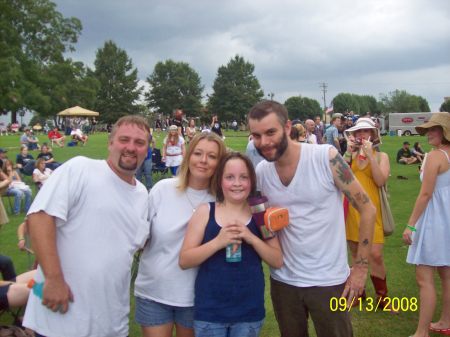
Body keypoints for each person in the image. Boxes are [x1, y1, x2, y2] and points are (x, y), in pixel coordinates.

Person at [247, 100, 376, 337]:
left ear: (287, 127)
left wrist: (359, 269)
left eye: (270, 132)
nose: (263, 142)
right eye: (256, 135)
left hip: (328, 281)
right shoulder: (262, 172)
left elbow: (367, 208)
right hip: (283, 281)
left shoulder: (325, 157)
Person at [22, 115, 151, 337]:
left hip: (111, 321)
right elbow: (40, 217)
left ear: (147, 149)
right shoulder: (81, 169)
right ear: (110, 143)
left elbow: (130, 247)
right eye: (124, 140)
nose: (131, 147)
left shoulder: (142, 195)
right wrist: (52, 280)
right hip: (63, 318)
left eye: (139, 143)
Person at [179, 152, 283, 337]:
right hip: (210, 313)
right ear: (220, 181)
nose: (237, 183)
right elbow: (185, 260)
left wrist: (252, 238)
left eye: (244, 177)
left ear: (251, 181)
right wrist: (218, 242)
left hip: (248, 313)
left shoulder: (260, 213)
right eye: (230, 177)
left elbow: (277, 260)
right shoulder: (205, 212)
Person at [134, 132, 226, 337]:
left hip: (198, 296)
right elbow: (139, 238)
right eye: (198, 153)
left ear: (220, 163)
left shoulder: (222, 200)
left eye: (212, 156)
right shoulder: (162, 190)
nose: (203, 161)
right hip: (154, 292)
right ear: (188, 156)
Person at [402, 113, 450, 337]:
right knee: (446, 274)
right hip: (446, 218)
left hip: (434, 221)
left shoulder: (435, 156)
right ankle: (445, 321)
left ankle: (422, 332)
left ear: (446, 131)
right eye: (428, 129)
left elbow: (426, 194)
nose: (429, 133)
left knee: (424, 278)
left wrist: (410, 225)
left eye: (435, 129)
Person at [343, 117, 396, 311]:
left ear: (373, 134)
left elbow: (380, 180)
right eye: (358, 132)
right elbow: (339, 177)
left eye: (365, 131)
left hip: (372, 212)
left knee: (375, 255)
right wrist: (348, 153)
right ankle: (358, 292)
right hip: (352, 211)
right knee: (356, 253)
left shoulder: (382, 157)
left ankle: (383, 299)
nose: (361, 135)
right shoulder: (350, 154)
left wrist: (370, 156)